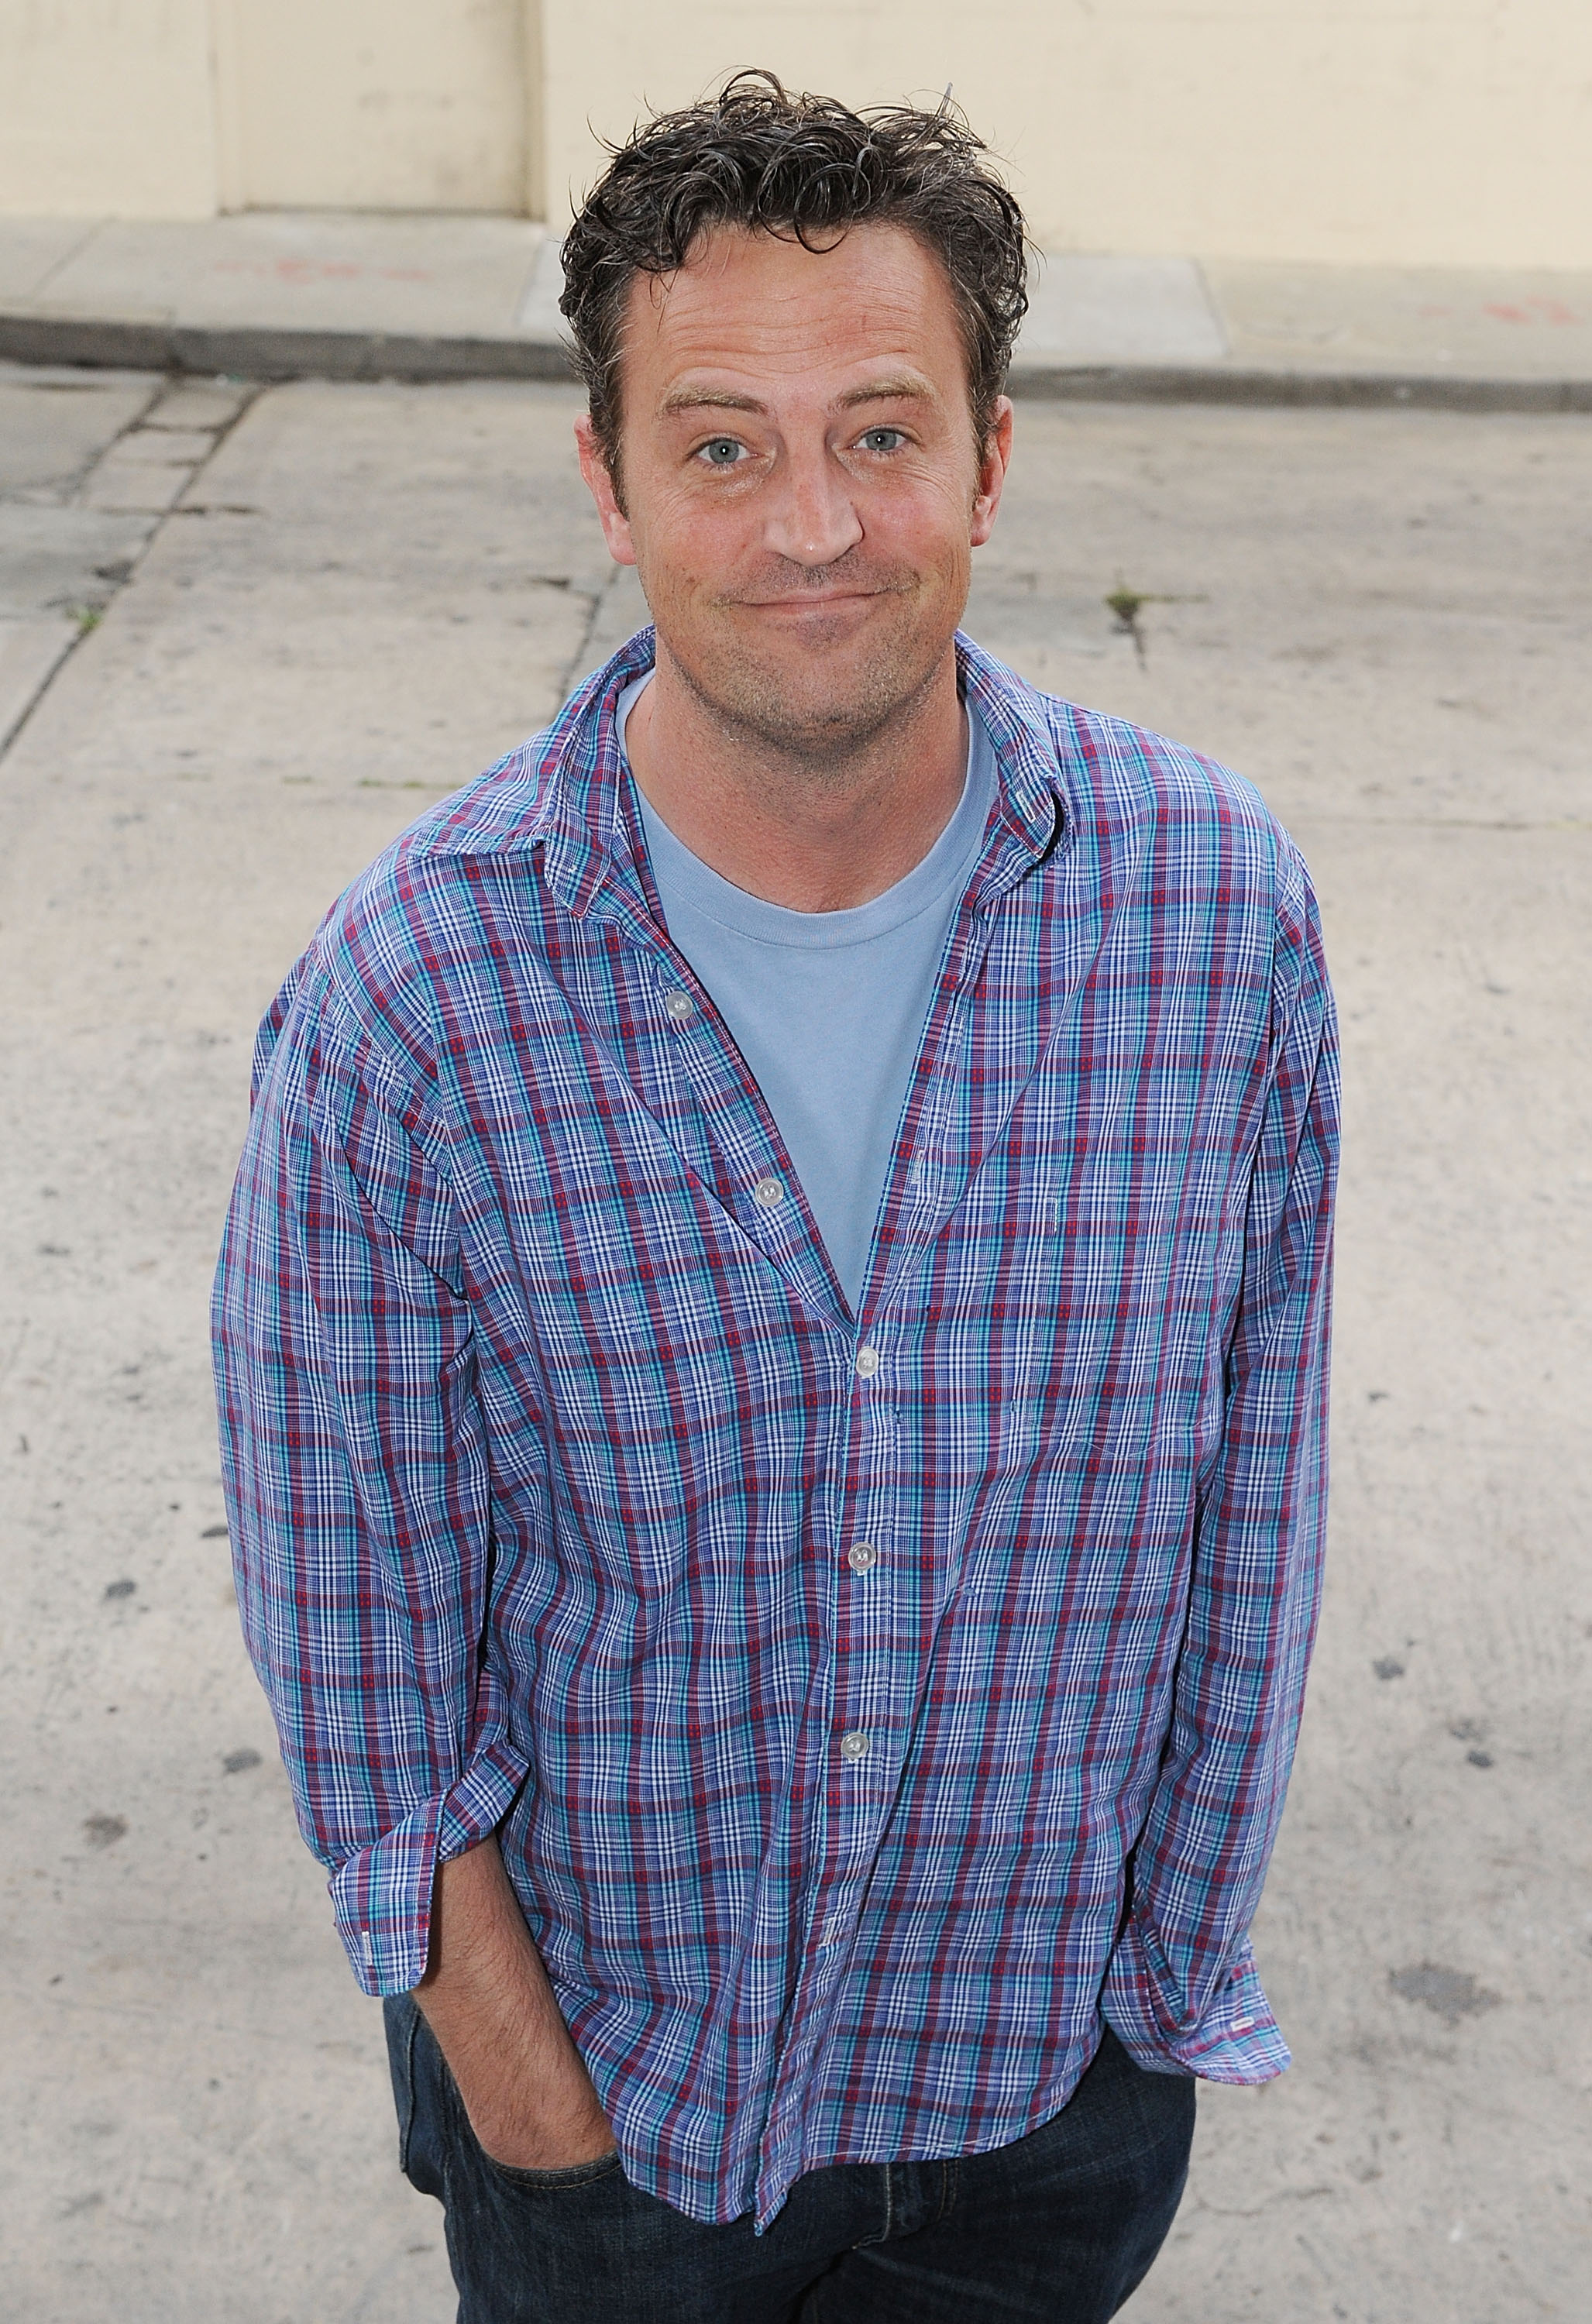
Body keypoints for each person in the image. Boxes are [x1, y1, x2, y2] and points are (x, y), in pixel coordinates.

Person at [211, 70, 1338, 2324]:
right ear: (611, 486)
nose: (812, 523)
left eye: (883, 432)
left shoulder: (1215, 919)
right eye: (722, 442)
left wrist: (1163, 1970)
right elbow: (365, 1652)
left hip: (1047, 2109)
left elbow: (1256, 1496)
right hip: (617, 2125)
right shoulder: (413, 1002)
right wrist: (542, 2116)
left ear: (994, 460)